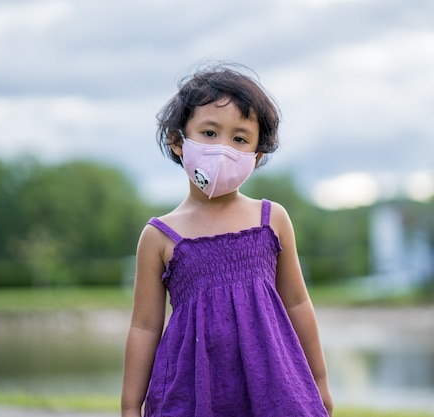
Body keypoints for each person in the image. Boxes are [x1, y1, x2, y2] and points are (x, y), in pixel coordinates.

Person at [121, 62, 333, 417]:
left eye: (239, 139)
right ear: (178, 141)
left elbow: (297, 304)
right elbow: (145, 326)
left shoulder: (272, 219)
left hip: (275, 387)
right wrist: (130, 405)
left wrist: (320, 382)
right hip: (193, 391)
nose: (223, 149)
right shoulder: (158, 236)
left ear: (256, 156)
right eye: (209, 133)